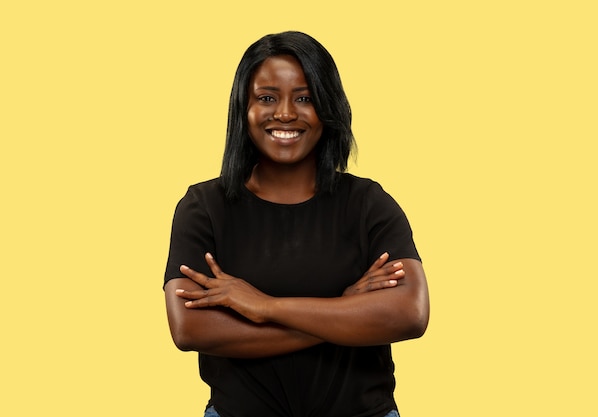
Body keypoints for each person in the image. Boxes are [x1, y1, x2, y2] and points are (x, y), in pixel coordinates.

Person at [164, 31, 430, 417]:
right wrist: (343, 311)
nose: (286, 113)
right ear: (244, 108)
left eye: (305, 98)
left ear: (328, 107)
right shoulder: (204, 207)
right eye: (267, 97)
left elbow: (410, 313)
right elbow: (190, 329)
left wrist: (265, 306)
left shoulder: (368, 205)